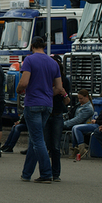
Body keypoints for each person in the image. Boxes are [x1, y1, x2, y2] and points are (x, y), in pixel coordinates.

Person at [16, 36, 66, 183]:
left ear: (32, 46)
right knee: (35, 138)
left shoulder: (30, 60)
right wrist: (48, 93)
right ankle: (26, 173)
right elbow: (59, 88)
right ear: (44, 46)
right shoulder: (53, 63)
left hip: (33, 102)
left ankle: (46, 173)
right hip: (47, 104)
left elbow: (24, 82)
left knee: (38, 139)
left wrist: (19, 89)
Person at [69, 89, 102, 159]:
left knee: (77, 128)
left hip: (100, 125)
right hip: (97, 123)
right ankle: (76, 148)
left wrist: (96, 121)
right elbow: (101, 117)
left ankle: (81, 149)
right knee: (74, 127)